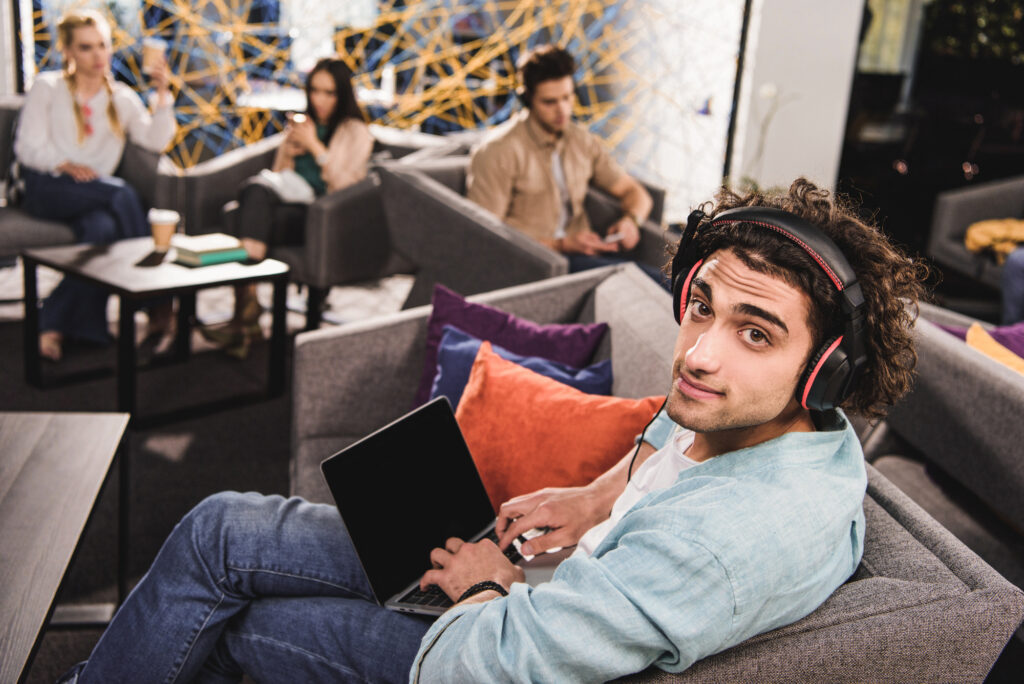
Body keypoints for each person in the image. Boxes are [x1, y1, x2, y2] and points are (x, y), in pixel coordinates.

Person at [58, 178, 927, 683]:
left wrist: (488, 587)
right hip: (541, 586)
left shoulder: (723, 542)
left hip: (486, 645)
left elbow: (492, 672)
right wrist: (593, 498)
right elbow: (670, 438)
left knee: (241, 624)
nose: (698, 354)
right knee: (217, 526)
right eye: (702, 307)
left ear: (828, 371)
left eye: (755, 332)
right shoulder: (773, 422)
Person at [14, 9, 176, 362]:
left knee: (101, 230)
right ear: (68, 51)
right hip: (48, 187)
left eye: (103, 46)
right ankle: (157, 303)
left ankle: (56, 323)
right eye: (86, 47)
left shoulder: (121, 98)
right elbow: (26, 148)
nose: (98, 55)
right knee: (123, 194)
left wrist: (162, 94)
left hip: (96, 197)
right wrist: (64, 164)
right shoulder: (48, 87)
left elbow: (155, 141)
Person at [201, 57, 373, 358]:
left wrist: (316, 148)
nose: (319, 99)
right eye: (315, 91)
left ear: (342, 94)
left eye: (329, 93)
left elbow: (348, 187)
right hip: (284, 204)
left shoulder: (355, 131)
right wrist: (292, 150)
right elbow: (279, 175)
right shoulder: (303, 123)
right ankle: (247, 311)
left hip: (319, 216)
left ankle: (245, 313)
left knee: (249, 199)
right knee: (239, 210)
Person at [466, 44, 667, 287]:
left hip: (586, 254)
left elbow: (636, 194)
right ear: (527, 100)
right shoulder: (497, 151)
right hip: (537, 263)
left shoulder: (580, 141)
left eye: (567, 97)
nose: (562, 110)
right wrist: (562, 245)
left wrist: (630, 221)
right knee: (658, 286)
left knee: (672, 283)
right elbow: (485, 237)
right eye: (549, 102)